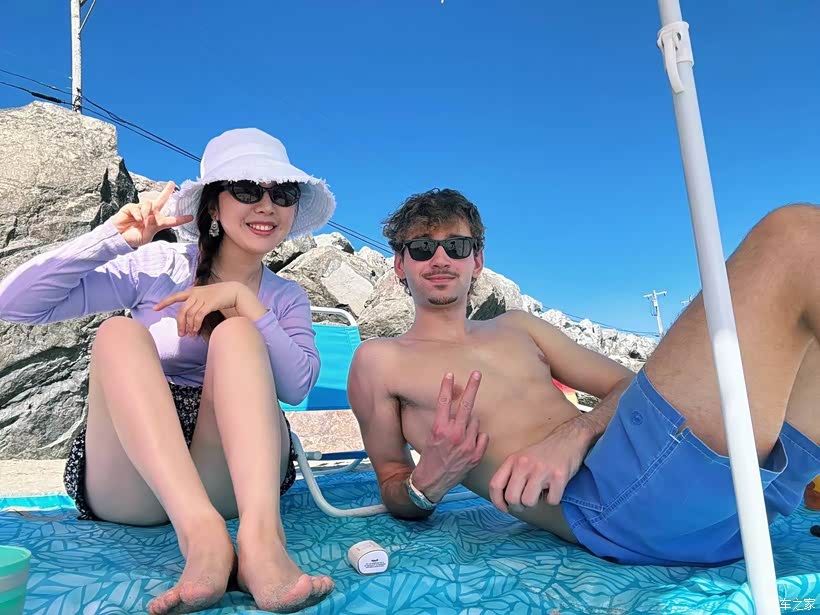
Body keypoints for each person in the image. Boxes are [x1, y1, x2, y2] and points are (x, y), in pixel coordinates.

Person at [347, 188, 820, 567]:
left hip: (743, 507)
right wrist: (426, 482)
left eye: (456, 246)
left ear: (477, 260)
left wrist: (576, 432)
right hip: (613, 503)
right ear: (400, 264)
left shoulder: (517, 327)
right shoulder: (379, 360)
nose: (440, 259)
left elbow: (627, 385)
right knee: (794, 235)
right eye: (422, 248)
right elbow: (392, 482)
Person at [0, 128, 337, 613]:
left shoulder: (285, 297)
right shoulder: (160, 264)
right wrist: (112, 241)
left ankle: (263, 544)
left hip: (233, 476)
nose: (266, 205)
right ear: (213, 207)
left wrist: (246, 305)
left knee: (238, 335)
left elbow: (296, 386)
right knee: (117, 334)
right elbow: (15, 305)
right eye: (246, 189)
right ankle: (203, 537)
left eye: (282, 194)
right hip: (135, 475)